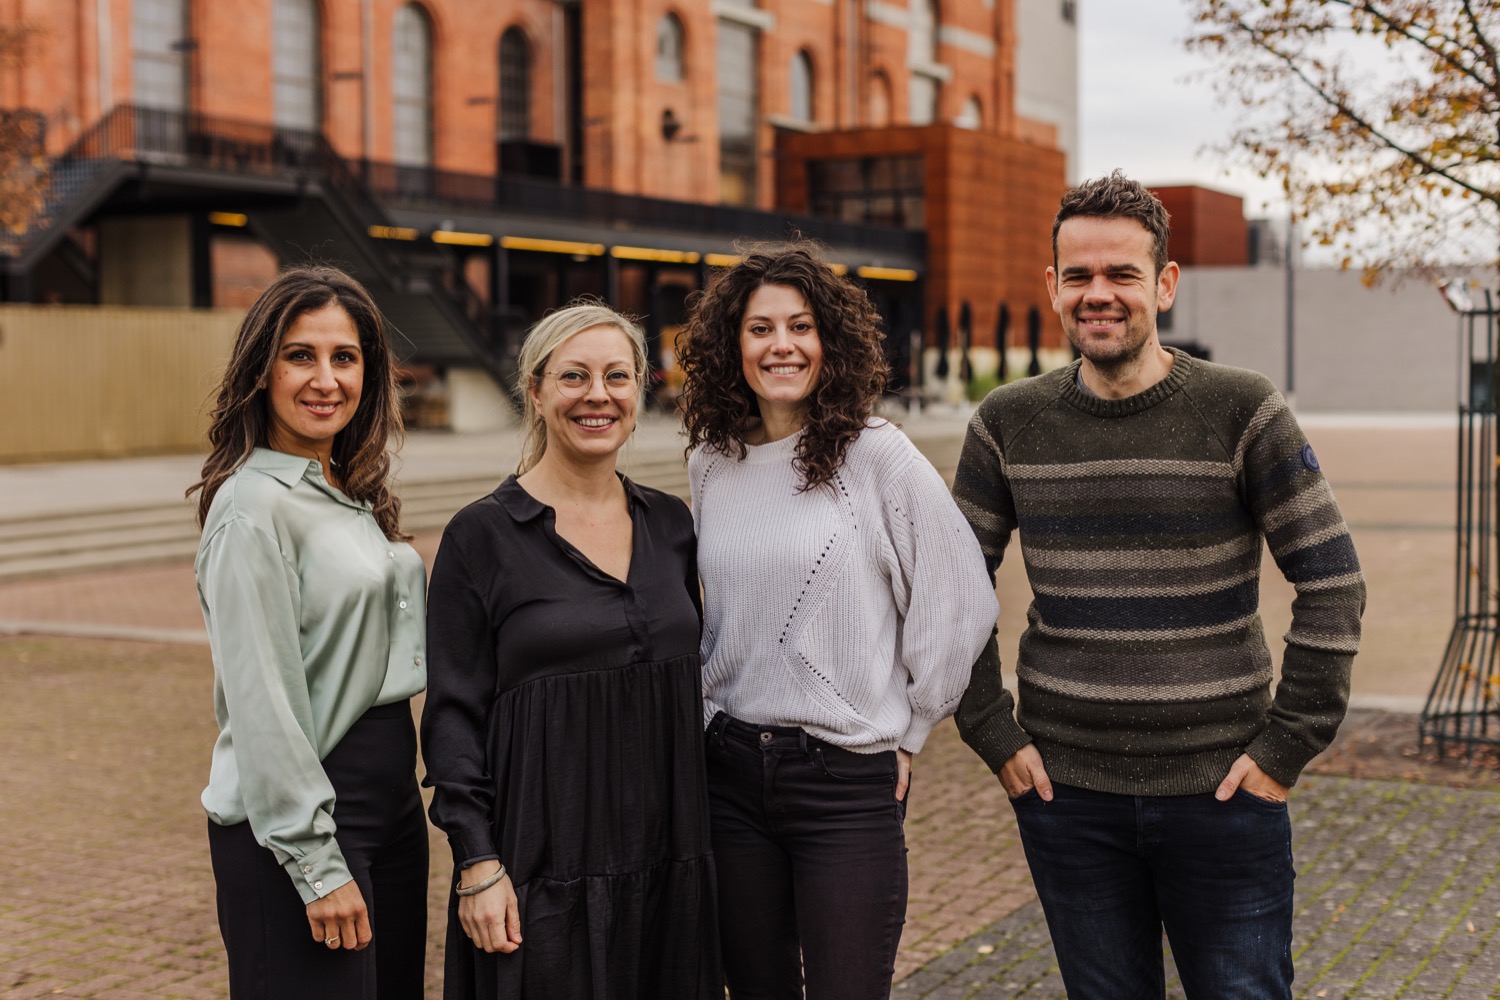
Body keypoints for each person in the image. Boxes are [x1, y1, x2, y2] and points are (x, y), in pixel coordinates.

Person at [953, 171, 1367, 999]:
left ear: (1164, 285)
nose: (1098, 295)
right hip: (1065, 798)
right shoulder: (1007, 422)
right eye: (1079, 276)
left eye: (1121, 275)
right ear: (1053, 287)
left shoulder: (1241, 409)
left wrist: (1286, 748)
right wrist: (993, 733)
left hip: (1224, 794)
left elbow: (1332, 580)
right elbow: (951, 591)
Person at [678, 243, 999, 999]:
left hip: (844, 780)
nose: (781, 345)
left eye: (800, 326)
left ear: (831, 341)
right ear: (733, 344)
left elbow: (960, 600)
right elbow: (716, 613)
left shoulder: (876, 456)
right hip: (726, 775)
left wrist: (914, 727)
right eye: (760, 329)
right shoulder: (711, 462)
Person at [421, 302, 721, 999]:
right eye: (574, 376)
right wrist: (477, 864)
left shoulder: (672, 525)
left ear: (640, 391)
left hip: (670, 861)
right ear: (535, 389)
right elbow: (452, 716)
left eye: (618, 376)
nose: (598, 395)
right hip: (541, 870)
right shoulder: (482, 537)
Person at [190, 265, 428, 999]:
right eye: (301, 355)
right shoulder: (250, 508)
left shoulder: (345, 492)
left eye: (345, 357)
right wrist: (317, 863)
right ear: (262, 370)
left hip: (390, 804)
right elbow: (261, 699)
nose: (325, 378)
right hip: (304, 815)